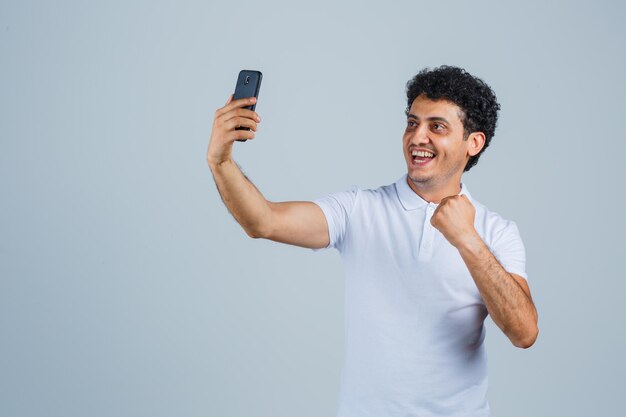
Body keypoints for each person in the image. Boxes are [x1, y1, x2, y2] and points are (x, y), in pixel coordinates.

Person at [206, 65, 539, 417]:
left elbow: (524, 333)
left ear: (473, 142)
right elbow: (263, 221)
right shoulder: (358, 210)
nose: (418, 137)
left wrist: (467, 240)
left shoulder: (496, 231)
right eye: (412, 123)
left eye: (436, 127)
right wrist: (220, 161)